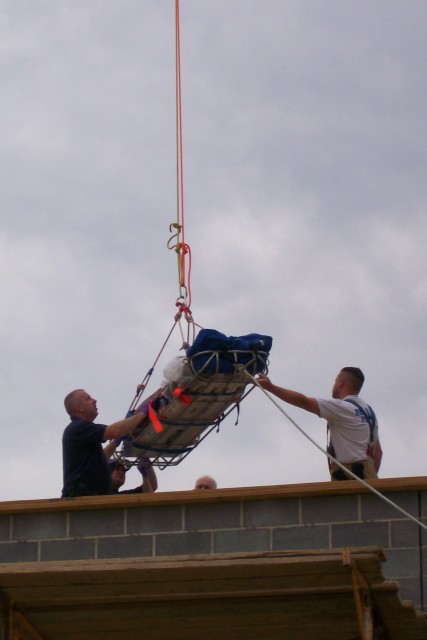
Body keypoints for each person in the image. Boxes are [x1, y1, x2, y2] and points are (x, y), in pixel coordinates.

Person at [257, 367, 382, 481]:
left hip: (349, 475)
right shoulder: (368, 411)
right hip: (367, 474)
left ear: (341, 382)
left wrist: (270, 387)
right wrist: (371, 478)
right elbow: (378, 452)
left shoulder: (342, 407)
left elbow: (303, 401)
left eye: (335, 381)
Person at [62, 388, 152, 497]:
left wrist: (116, 441)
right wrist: (143, 413)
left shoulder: (83, 433)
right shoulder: (78, 428)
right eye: (88, 398)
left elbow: (102, 458)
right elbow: (114, 431)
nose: (94, 400)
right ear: (79, 407)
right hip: (82, 498)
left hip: (89, 497)